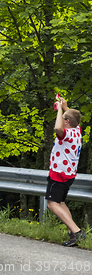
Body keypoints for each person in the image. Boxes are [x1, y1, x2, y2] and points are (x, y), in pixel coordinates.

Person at [46, 97, 87, 247]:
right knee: (61, 202)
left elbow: (58, 128)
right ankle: (72, 233)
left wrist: (59, 112)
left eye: (64, 119)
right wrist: (65, 107)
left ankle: (76, 231)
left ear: (67, 122)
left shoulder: (67, 135)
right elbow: (73, 119)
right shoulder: (77, 131)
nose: (62, 120)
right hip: (69, 174)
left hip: (58, 173)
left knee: (52, 204)